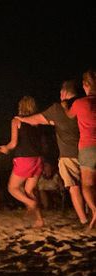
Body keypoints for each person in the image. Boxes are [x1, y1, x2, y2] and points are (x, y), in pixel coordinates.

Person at [15, 80, 87, 225]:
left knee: (74, 187)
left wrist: (20, 119)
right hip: (87, 150)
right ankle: (92, 213)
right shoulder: (84, 105)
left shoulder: (57, 109)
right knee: (89, 186)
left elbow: (37, 119)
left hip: (68, 154)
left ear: (63, 93)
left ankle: (84, 220)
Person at [0, 96, 44, 227]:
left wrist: (5, 148)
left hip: (24, 159)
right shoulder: (38, 121)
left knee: (12, 188)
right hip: (38, 159)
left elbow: (13, 143)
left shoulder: (16, 120)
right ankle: (39, 220)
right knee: (29, 191)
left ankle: (31, 204)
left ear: (21, 106)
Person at [67, 69, 96, 230]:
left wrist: (66, 103)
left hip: (88, 147)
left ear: (85, 85)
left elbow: (69, 115)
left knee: (87, 185)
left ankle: (94, 210)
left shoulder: (80, 103)